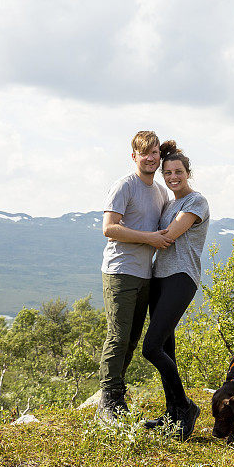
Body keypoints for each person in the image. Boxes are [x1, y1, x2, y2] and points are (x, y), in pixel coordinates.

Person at [98, 130, 172, 422]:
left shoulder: (160, 192)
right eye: (146, 153)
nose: (151, 158)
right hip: (120, 271)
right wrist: (148, 239)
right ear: (135, 157)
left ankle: (116, 396)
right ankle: (108, 400)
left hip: (145, 275)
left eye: (155, 153)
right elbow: (109, 228)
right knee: (118, 336)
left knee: (130, 340)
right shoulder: (124, 186)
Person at [141, 140, 209, 440]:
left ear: (188, 173)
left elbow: (168, 236)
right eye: (167, 173)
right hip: (159, 277)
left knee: (151, 347)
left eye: (178, 172)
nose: (172, 178)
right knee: (166, 348)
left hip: (181, 278)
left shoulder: (197, 202)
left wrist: (125, 234)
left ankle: (184, 407)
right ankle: (172, 413)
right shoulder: (168, 203)